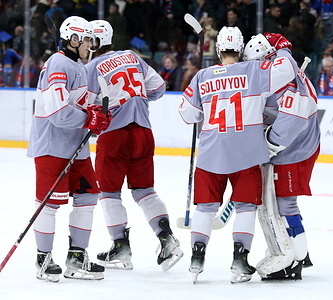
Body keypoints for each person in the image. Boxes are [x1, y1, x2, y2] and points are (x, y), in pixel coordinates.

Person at [179, 27, 297, 283]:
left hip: (212, 153)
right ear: (242, 48)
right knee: (245, 207)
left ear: (219, 49)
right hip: (248, 153)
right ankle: (239, 261)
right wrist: (284, 49)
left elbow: (187, 114)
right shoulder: (254, 71)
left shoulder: (202, 76)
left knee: (205, 208)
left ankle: (197, 257)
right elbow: (287, 70)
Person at [85, 20, 183, 271]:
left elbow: (88, 104)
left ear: (95, 42)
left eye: (88, 40)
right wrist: (134, 97)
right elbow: (159, 88)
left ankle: (120, 247)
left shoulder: (92, 66)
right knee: (144, 190)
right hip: (143, 132)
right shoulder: (132, 56)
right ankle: (167, 240)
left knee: (108, 193)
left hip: (114, 135)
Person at [27, 16, 111, 283]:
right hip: (52, 146)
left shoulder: (78, 65)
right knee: (49, 204)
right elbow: (58, 112)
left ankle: (76, 258)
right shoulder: (58, 63)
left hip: (76, 146)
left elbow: (80, 104)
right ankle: (44, 258)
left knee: (88, 197)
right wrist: (89, 119)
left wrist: (96, 112)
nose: (91, 44)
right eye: (87, 39)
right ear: (73, 39)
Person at [243, 33, 320, 280]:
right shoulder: (281, 65)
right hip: (297, 144)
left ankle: (296, 260)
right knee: (280, 202)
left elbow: (292, 121)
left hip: (296, 149)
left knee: (285, 203)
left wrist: (269, 144)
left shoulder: (284, 82)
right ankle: (300, 251)